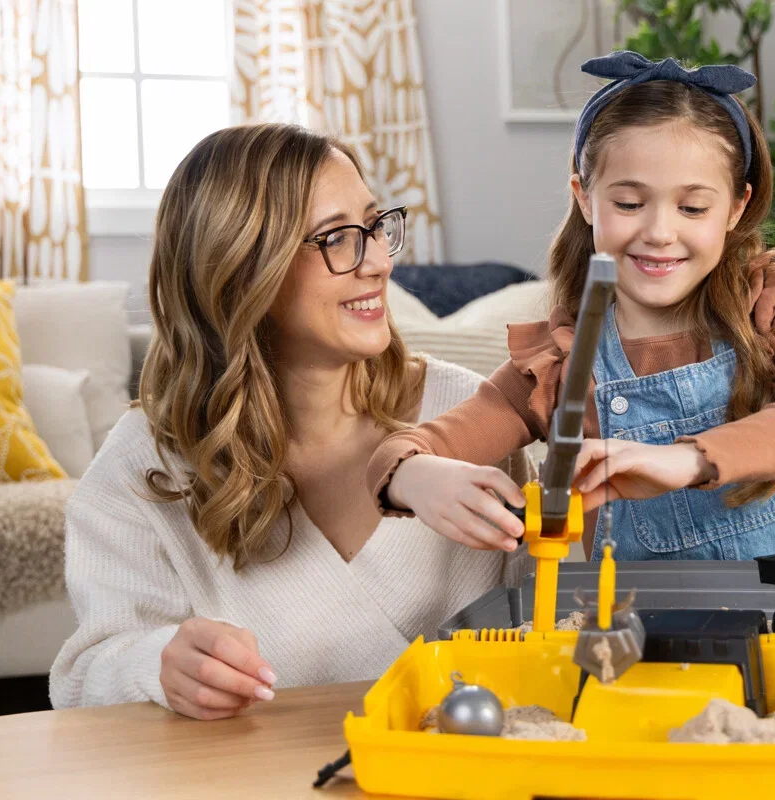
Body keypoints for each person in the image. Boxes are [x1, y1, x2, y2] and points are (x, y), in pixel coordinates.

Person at [49, 123, 533, 720]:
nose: (379, 262)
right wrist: (156, 665)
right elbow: (82, 679)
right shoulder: (144, 463)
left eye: (375, 226)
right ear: (242, 270)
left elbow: (547, 624)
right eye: (337, 238)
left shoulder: (472, 414)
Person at [365, 51, 775, 563]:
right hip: (638, 619)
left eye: (692, 207)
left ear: (736, 208)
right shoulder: (558, 364)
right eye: (629, 204)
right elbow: (396, 454)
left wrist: (689, 459)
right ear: (585, 198)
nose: (659, 232)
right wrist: (414, 476)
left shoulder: (770, 306)